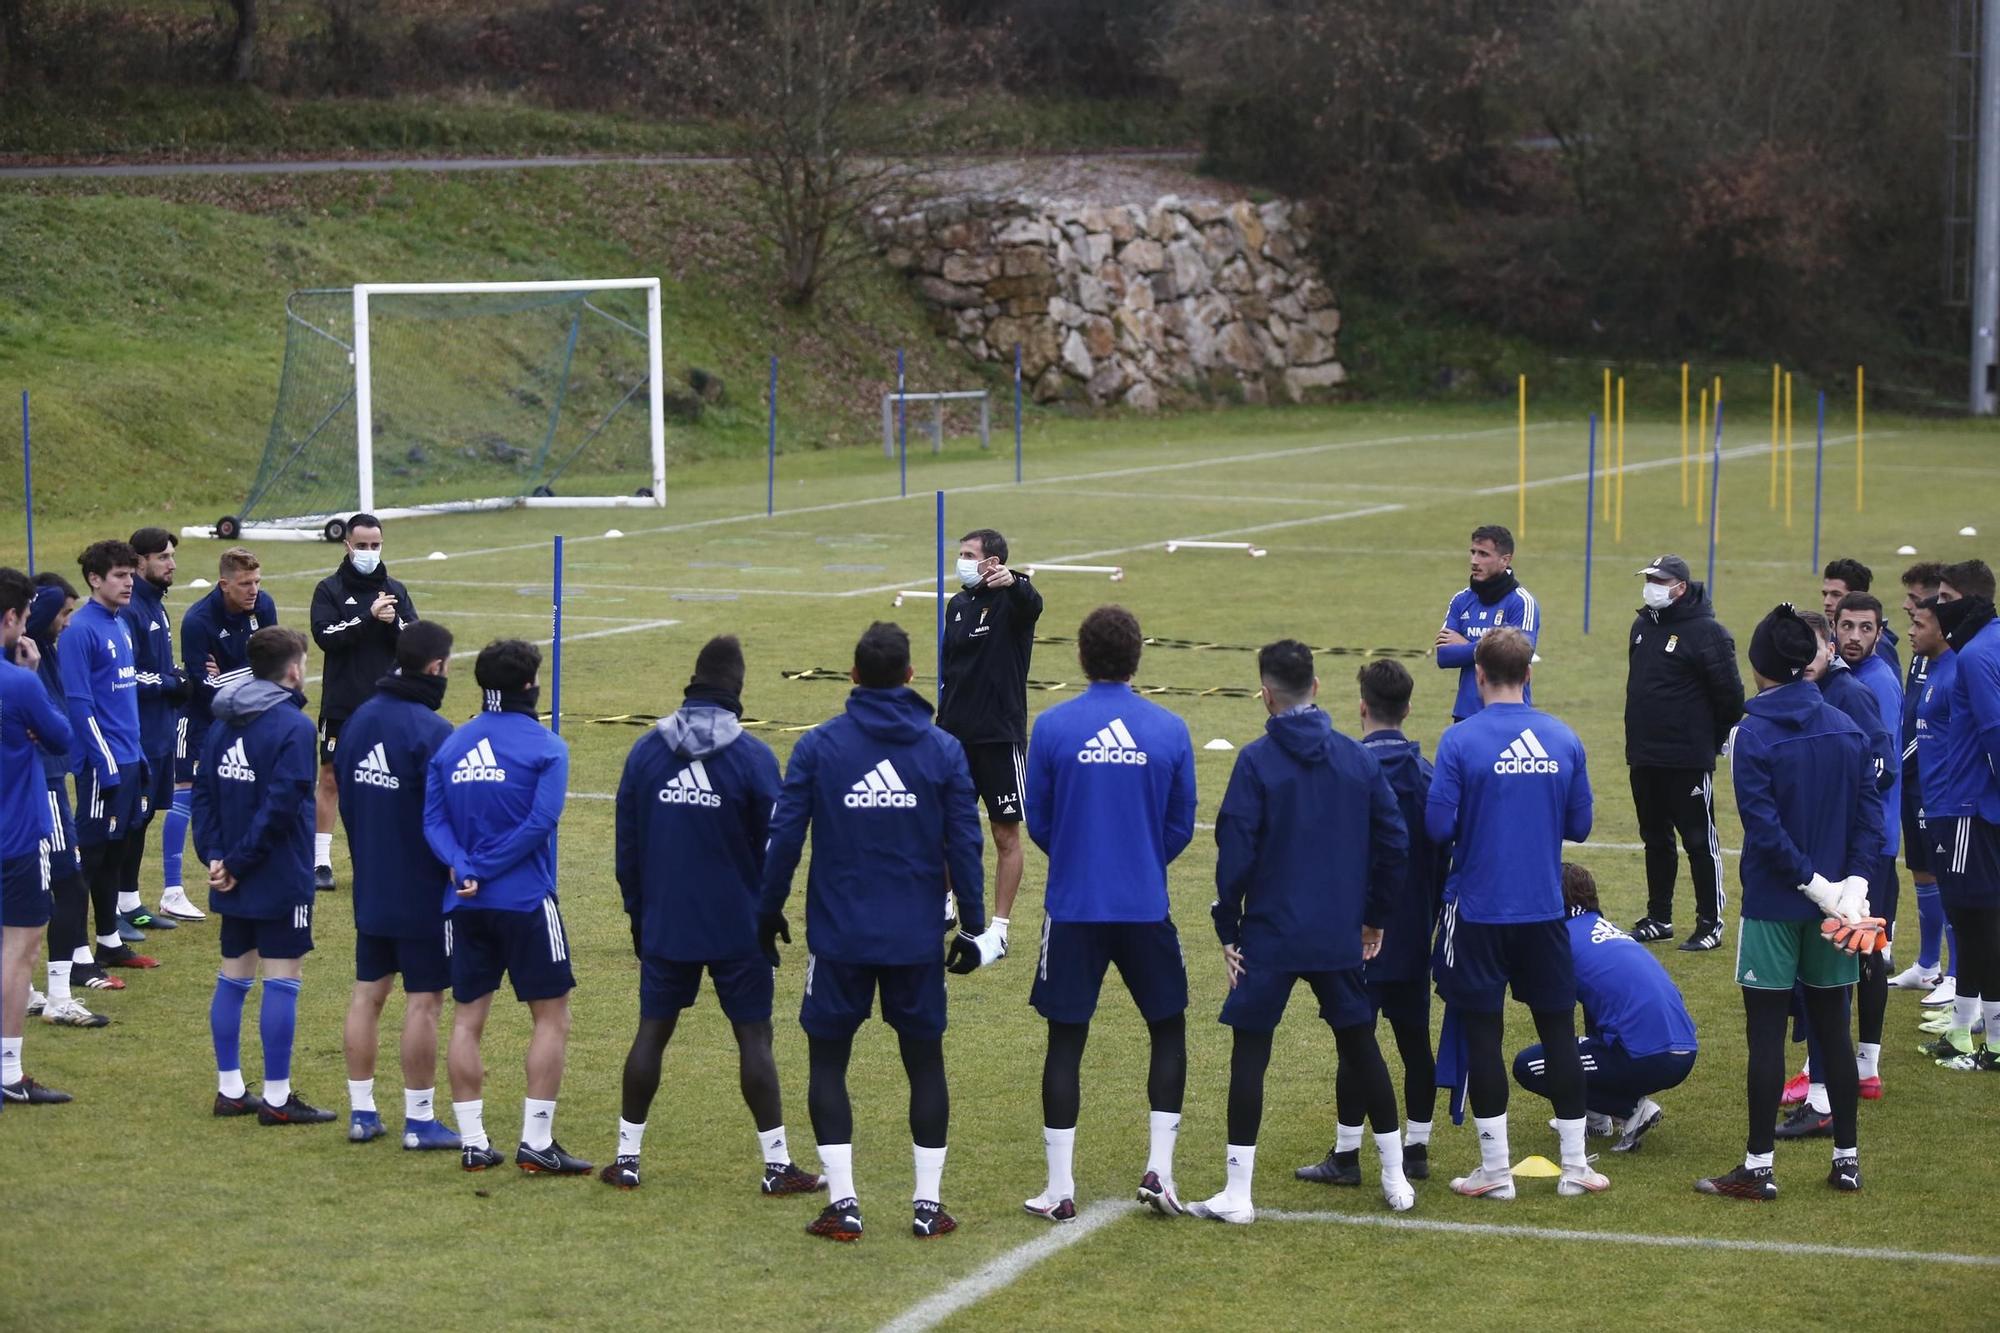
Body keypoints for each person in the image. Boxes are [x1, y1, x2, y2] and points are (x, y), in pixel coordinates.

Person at [758, 621, 994, 1241]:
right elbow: (965, 843)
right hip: (915, 939)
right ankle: (927, 1205)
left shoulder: (819, 746)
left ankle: (844, 1205)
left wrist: (767, 909)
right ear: (912, 676)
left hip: (839, 939)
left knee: (828, 1062)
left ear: (854, 676)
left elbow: (785, 838)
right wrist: (972, 924)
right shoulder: (942, 750)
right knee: (925, 1064)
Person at [1193, 640, 1412, 1224]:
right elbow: (1395, 842)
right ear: (1316, 688)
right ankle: (1395, 1175)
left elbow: (1233, 850)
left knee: (1251, 1054)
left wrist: (1228, 926)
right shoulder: (1357, 758)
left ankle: (1238, 1193)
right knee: (1360, 1045)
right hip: (1337, 932)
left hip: (1269, 932)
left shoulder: (1256, 761)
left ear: (1266, 695)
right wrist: (1374, 918)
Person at [605, 635, 821, 1196]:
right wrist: (768, 910)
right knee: (754, 1037)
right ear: (737, 689)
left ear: (692, 681)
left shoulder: (646, 752)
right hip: (736, 924)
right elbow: (777, 844)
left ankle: (626, 1158)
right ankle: (777, 1165)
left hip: (668, 922)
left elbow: (626, 842)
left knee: (652, 1031)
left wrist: (637, 912)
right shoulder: (751, 757)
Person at [1696, 605, 1880, 1201]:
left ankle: (1758, 1166)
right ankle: (1846, 1159)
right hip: (1833, 913)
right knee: (1833, 1028)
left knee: (1766, 1037)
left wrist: (1818, 886)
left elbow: (1764, 828)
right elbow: (1868, 818)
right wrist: (1852, 883)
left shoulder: (1752, 733)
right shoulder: (1845, 726)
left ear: (1758, 666)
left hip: (1778, 905)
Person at [1022, 605, 1197, 1221]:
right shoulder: (1170, 728)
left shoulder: (1051, 727)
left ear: (1080, 655)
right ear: (1137, 657)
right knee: (1167, 1028)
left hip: (1072, 906)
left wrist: (1076, 853)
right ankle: (1160, 1170)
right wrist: (1143, 857)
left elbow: (1037, 819)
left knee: (1065, 1039)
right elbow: (1180, 825)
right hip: (1145, 904)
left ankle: (1059, 1189)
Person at [1427, 628, 1604, 1201]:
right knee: (1559, 1031)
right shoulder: (1563, 737)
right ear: (1529, 674)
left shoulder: (1459, 741)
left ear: (1478, 674)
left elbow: (1437, 828)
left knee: (1483, 1032)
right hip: (1544, 911)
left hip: (1478, 911)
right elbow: (1579, 826)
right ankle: (1576, 1167)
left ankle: (1496, 1171)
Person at [422, 639, 584, 1174]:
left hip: (462, 905)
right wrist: (487, 868)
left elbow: (433, 823)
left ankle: (473, 1141)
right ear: (530, 686)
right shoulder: (547, 746)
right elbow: (540, 823)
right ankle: (537, 1141)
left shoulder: (451, 746)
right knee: (551, 1016)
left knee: (467, 1020)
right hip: (525, 900)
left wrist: (463, 866)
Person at [1298, 658, 1447, 1186]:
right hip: (1414, 933)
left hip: (1356, 934)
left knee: (1354, 1042)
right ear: (1407, 709)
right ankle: (1419, 1148)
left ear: (1361, 707)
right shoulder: (1431, 777)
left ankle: (1346, 1154)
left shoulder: (1345, 773)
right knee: (1414, 1043)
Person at [194, 626, 336, 1126]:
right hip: (277, 873)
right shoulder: (294, 728)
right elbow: (282, 807)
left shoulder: (223, 719)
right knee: (282, 978)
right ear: (294, 670)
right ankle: (277, 1098)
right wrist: (237, 861)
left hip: (231, 868)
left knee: (234, 976)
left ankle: (229, 1088)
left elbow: (204, 792)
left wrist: (216, 856)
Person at [335, 619, 461, 1150]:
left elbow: (341, 795)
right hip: (422, 890)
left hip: (371, 885)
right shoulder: (434, 732)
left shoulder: (360, 719)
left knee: (368, 996)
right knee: (424, 1003)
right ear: (435, 667)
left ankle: (362, 1113)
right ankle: (419, 1119)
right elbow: (452, 818)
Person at [1773, 610, 1892, 1133]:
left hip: (1848, 867)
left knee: (1842, 977)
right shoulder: (1812, 694)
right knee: (1819, 981)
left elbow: (1879, 772)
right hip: (1819, 863)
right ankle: (1824, 1084)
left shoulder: (1854, 697)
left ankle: (1830, 1093)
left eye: (1814, 648)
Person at [1512, 864, 1697, 1152]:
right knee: (1586, 1041)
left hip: (1650, 1054)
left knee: (1530, 1066)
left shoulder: (1561, 939)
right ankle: (1596, 1119)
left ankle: (1631, 1110)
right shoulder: (1606, 930)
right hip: (1681, 1048)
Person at [1624, 553, 1744, 951]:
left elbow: (1730, 696)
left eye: (1659, 580)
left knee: (1697, 840)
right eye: (1649, 578)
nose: (1651, 586)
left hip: (1687, 759)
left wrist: (1709, 742)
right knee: (1654, 839)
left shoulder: (1708, 633)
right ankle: (1660, 917)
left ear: (1679, 586)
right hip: (1644, 756)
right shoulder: (1642, 627)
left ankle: (1710, 923)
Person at [936, 527, 1040, 957]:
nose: (961, 560)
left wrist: (1014, 581)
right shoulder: (957, 605)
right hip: (952, 737)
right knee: (941, 828)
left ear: (992, 562)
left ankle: (998, 928)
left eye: (968, 554)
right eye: (959, 552)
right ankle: (941, 905)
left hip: (998, 737)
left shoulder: (1014, 601)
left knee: (1004, 834)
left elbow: (1033, 602)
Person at [58, 540, 157, 975]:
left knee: (118, 850)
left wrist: (138, 756)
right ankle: (76, 955)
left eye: (131, 575)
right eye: (119, 575)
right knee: (91, 854)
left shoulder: (120, 624)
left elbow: (124, 700)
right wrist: (106, 763)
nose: (128, 583)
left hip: (129, 758)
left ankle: (109, 942)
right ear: (95, 579)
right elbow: (80, 706)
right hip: (103, 766)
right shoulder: (80, 631)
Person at [1, 567, 77, 1104]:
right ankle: (8, 1073)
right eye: (25, 619)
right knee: (19, 949)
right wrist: (32, 677)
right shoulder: (21, 683)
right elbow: (61, 738)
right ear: (10, 619)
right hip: (15, 838)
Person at [310, 514, 418, 893]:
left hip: (387, 706)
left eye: (376, 545)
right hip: (342, 703)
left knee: (386, 779)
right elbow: (326, 636)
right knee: (331, 778)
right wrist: (367, 618)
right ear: (348, 546)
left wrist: (392, 624)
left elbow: (414, 641)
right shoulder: (329, 590)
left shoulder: (395, 589)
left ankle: (381, 859)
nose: (370, 552)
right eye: (363, 546)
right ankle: (320, 860)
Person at [172, 547, 277, 921]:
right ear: (224, 584)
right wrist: (246, 673)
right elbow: (201, 687)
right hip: (201, 720)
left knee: (248, 789)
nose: (254, 590)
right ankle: (172, 889)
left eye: (257, 582)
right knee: (185, 791)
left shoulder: (264, 607)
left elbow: (272, 669)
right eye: (246, 583)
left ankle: (247, 868)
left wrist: (227, 676)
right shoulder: (198, 620)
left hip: (248, 719)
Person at [26, 576, 115, 1013]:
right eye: (62, 612)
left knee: (34, 885)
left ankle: (25, 990)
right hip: (44, 784)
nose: (67, 621)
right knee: (68, 883)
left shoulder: (40, 654)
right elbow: (57, 731)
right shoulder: (29, 658)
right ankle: (60, 995)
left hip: (43, 780)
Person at [1928, 560, 2000, 1071]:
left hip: (1968, 811)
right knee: (1975, 923)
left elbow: (1994, 733)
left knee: (1978, 925)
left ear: (1969, 600)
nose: (1936, 605)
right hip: (1971, 808)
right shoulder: (1989, 642)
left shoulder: (1974, 656)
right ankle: (1962, 1034)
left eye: (1945, 596)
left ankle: (1993, 1046)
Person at [1910, 590, 1986, 1065]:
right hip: (1941, 807)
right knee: (1966, 913)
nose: (1914, 623)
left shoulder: (1964, 666)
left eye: (1923, 617)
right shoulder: (1936, 668)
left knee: (1973, 915)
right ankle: (1964, 1018)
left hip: (1958, 810)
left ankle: (1974, 1024)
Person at [1833, 592, 1904, 1098]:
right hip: (1869, 841)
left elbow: (1882, 768)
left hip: (1870, 846)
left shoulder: (1873, 684)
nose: (1855, 636)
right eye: (1847, 626)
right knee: (1860, 950)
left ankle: (1858, 1066)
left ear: (1879, 632)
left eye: (1865, 628)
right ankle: (1860, 1066)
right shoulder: (1856, 680)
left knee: (1859, 951)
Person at [117, 527, 188, 937]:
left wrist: (177, 676)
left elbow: (161, 665)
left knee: (142, 820)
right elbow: (129, 676)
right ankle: (111, 913)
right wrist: (172, 684)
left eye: (171, 556)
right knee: (125, 823)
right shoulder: (131, 610)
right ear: (139, 561)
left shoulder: (156, 606)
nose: (171, 564)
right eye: (163, 557)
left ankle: (130, 902)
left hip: (160, 732)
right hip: (138, 736)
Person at [1890, 562, 1955, 1001]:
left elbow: (1933, 726)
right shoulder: (1919, 651)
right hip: (1913, 780)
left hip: (1933, 780)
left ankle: (1956, 973)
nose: (1907, 611)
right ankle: (1928, 964)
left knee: (1953, 876)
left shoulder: (1953, 657)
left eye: (1914, 603)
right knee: (1922, 869)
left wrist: (1898, 762)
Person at [1435, 525, 1540, 723]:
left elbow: (1517, 654)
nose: (1474, 561)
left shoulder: (1521, 602)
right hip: (1466, 714)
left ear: (1505, 560)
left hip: (1511, 716)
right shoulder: (1461, 600)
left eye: (1483, 554)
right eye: (1473, 552)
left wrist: (1466, 645)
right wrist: (1493, 644)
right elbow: (1444, 656)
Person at [1822, 557, 1899, 675]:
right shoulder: (1831, 634)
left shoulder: (1878, 647)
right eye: (1825, 594)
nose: (1827, 601)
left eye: (1836, 595)